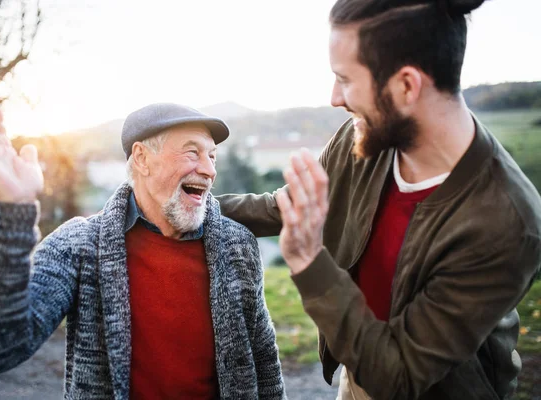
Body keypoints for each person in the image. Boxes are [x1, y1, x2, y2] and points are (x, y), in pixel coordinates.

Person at [217, 0, 541, 399]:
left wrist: (308, 261)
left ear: (406, 85)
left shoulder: (507, 221)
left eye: (346, 79)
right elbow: (287, 207)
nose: (336, 97)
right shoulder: (365, 138)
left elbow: (399, 376)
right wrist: (197, 209)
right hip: (357, 371)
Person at [0, 97, 286, 400]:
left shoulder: (236, 243)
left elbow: (264, 362)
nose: (209, 169)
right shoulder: (80, 246)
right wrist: (10, 210)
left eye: (212, 156)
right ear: (142, 159)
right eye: (192, 152)